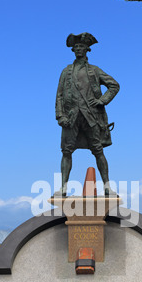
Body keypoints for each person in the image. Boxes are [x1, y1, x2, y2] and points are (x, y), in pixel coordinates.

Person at [55, 32, 120, 196]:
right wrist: (60, 116)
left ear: (87, 50)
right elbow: (60, 95)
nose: (78, 50)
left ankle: (107, 186)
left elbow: (114, 85)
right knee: (66, 151)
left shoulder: (94, 71)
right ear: (73, 50)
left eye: (81, 47)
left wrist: (102, 101)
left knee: (98, 151)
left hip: (91, 117)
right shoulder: (66, 71)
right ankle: (63, 187)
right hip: (71, 117)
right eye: (76, 47)